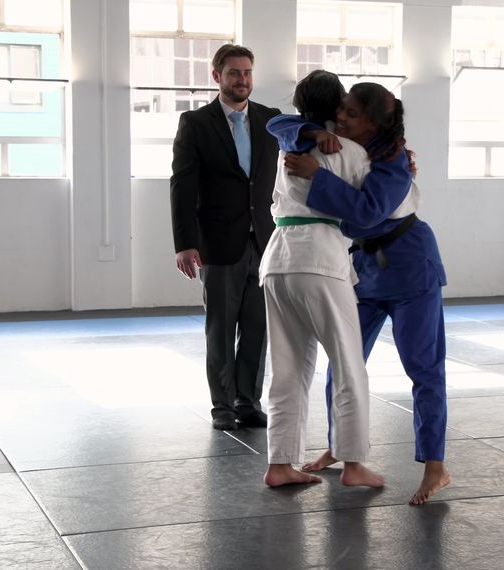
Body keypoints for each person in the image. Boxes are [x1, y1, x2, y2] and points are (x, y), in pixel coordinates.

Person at [278, 83, 451, 505]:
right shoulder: (337, 142)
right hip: (364, 268)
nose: (341, 119)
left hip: (410, 264)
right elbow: (279, 123)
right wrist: (312, 135)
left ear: (374, 122)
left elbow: (366, 212)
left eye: (351, 114)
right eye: (341, 111)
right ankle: (342, 445)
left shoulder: (394, 160)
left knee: (423, 367)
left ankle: (435, 465)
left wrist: (317, 176)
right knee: (344, 359)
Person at [261, 70, 387, 488]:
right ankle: (353, 464)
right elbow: (369, 207)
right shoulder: (350, 151)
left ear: (300, 105)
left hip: (278, 259)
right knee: (349, 363)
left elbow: (278, 123)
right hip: (319, 257)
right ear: (337, 107)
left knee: (287, 368)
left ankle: (280, 464)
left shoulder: (290, 143)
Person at [170, 44, 280, 431]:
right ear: (216, 76)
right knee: (220, 328)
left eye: (247, 72)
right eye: (234, 72)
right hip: (217, 243)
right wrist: (184, 242)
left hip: (265, 242)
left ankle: (248, 402)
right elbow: (182, 185)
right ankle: (222, 407)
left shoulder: (271, 120)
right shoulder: (196, 124)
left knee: (257, 328)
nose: (242, 79)